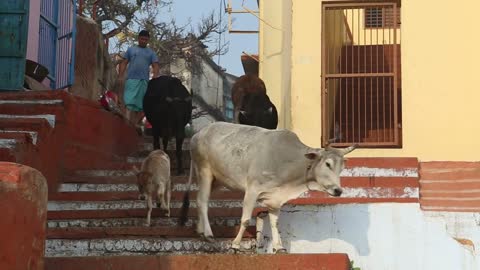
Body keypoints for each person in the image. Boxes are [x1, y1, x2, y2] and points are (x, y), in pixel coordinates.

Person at [118, 30, 160, 128]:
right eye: (142, 39)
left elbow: (156, 66)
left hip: (143, 81)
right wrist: (120, 76)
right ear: (138, 39)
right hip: (131, 80)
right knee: (129, 103)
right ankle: (127, 125)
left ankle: (135, 124)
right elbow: (124, 62)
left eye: (146, 39)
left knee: (141, 106)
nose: (144, 41)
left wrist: (155, 76)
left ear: (148, 40)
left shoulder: (151, 53)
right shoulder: (131, 50)